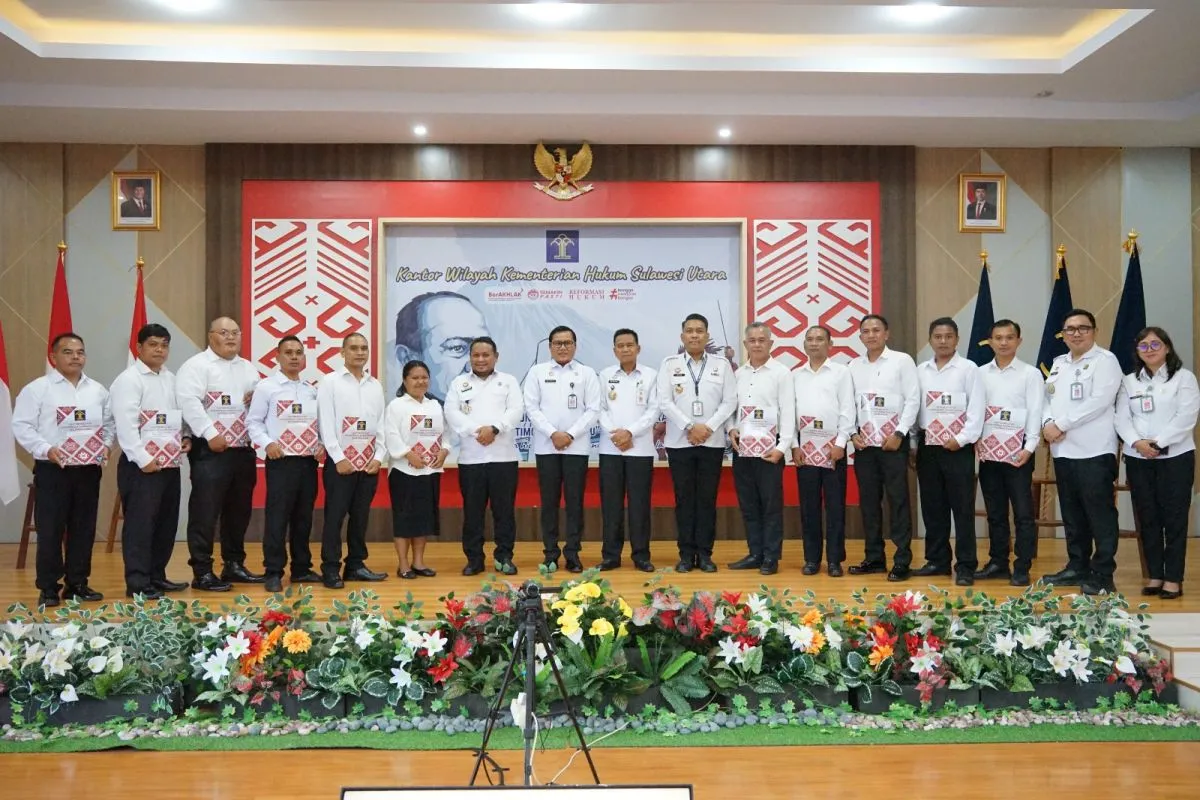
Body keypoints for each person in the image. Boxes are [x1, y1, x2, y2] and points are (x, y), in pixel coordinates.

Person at [12, 333, 114, 606]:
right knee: (51, 530)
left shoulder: (98, 390)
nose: (75, 357)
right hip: (53, 469)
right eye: (68, 352)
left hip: (88, 469)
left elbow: (108, 424)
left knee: (83, 528)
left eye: (80, 352)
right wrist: (46, 449)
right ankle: (48, 587)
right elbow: (22, 426)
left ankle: (77, 584)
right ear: (53, 357)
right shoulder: (37, 389)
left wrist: (106, 446)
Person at [176, 316, 262, 592]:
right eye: (224, 332)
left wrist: (258, 397)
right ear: (210, 335)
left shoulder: (248, 368)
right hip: (210, 450)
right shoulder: (196, 366)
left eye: (235, 332)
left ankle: (233, 564)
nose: (230, 337)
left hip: (242, 450)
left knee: (238, 511)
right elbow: (188, 403)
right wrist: (209, 433)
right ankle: (202, 571)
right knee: (205, 511)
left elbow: (259, 404)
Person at [1041, 309, 1123, 595]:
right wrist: (1047, 423)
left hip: (1094, 450)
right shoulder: (1059, 363)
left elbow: (1100, 401)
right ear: (1063, 334)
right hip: (1063, 450)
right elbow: (1047, 397)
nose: (1076, 333)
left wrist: (1061, 424)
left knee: (1099, 513)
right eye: (1070, 329)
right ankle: (1077, 565)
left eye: (1083, 328)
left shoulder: (1106, 361)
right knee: (1072, 513)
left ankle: (1102, 573)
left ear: (1094, 331)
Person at [1114, 327, 1199, 600]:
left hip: (1175, 458)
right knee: (1147, 517)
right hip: (1138, 457)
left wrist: (1159, 443)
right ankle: (1154, 575)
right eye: (1143, 346)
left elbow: (1187, 416)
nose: (1149, 350)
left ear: (1167, 347)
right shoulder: (1129, 381)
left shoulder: (1183, 378)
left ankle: (1173, 578)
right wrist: (1137, 443)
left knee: (1174, 518)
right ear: (1137, 351)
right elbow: (1121, 418)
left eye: (1155, 344)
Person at [109, 323, 191, 600]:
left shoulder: (171, 378)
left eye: (164, 345)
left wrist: (186, 437)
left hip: (169, 463)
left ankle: (157, 575)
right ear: (139, 347)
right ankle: (138, 583)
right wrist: (143, 459)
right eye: (153, 344)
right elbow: (125, 425)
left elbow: (178, 416)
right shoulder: (129, 380)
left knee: (165, 523)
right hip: (140, 467)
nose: (159, 350)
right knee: (140, 526)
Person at [658, 313, 737, 573]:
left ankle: (704, 554)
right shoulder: (669, 364)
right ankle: (685, 555)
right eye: (690, 331)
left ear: (707, 335)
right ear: (682, 336)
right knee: (684, 500)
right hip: (679, 443)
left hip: (711, 443)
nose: (694, 335)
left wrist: (708, 428)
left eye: (699, 331)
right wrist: (690, 427)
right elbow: (664, 402)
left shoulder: (721, 365)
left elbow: (729, 401)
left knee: (706, 500)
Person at [246, 335, 325, 593]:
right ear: (277, 357)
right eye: (288, 352)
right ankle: (273, 571)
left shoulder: (311, 390)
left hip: (307, 463)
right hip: (280, 461)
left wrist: (321, 443)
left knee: (303, 518)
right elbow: (253, 422)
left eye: (298, 353)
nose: (294, 357)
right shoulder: (266, 387)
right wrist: (267, 443)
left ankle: (301, 568)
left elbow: (318, 425)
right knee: (277, 518)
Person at [848, 314, 920, 581]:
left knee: (898, 501)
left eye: (876, 330)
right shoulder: (853, 366)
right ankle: (874, 557)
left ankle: (902, 561)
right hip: (865, 446)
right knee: (869, 503)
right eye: (866, 331)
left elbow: (913, 400)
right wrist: (852, 434)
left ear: (886, 334)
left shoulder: (902, 361)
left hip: (893, 444)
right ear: (860, 337)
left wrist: (900, 433)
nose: (871, 335)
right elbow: (848, 405)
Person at [523, 325, 601, 573]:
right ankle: (550, 554)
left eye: (568, 343)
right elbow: (531, 408)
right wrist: (552, 434)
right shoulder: (537, 372)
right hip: (547, 448)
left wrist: (570, 434)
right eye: (558, 343)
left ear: (575, 346)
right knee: (549, 503)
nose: (563, 347)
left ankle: (573, 554)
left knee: (575, 503)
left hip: (576, 448)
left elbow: (593, 409)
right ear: (550, 347)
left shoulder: (587, 373)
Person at [913, 318, 985, 586]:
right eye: (938, 336)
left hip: (958, 447)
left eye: (948, 336)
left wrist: (962, 439)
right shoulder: (920, 370)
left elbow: (976, 409)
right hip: (927, 445)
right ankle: (937, 560)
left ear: (957, 339)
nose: (943, 341)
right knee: (932, 506)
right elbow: (915, 409)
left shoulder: (969, 369)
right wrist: (913, 444)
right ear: (930, 339)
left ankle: (965, 565)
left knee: (962, 507)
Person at [444, 336, 524, 576]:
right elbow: (451, 412)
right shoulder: (459, 383)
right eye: (476, 355)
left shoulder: (508, 381)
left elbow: (516, 410)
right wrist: (476, 431)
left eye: (486, 355)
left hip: (503, 459)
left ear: (495, 357)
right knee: (472, 513)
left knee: (504, 512)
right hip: (471, 459)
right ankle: (474, 560)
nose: (480, 359)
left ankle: (504, 557)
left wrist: (495, 429)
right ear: (470, 357)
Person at [316, 332, 388, 589]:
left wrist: (379, 457)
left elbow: (380, 424)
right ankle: (331, 568)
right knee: (335, 518)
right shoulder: (330, 382)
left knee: (360, 517)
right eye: (354, 348)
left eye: (364, 348)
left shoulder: (375, 385)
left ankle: (355, 565)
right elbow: (325, 423)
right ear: (342, 352)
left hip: (368, 465)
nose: (359, 352)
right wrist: (338, 457)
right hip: (341, 465)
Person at [975, 320, 1044, 587]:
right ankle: (998, 562)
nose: (1004, 342)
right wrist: (976, 440)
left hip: (1019, 453)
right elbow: (975, 411)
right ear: (990, 341)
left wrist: (1029, 447)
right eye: (998, 337)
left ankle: (1022, 566)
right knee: (995, 512)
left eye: (1009, 337)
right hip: (989, 453)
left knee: (1023, 513)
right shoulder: (980, 373)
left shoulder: (1030, 374)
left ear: (1019, 341)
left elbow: (1035, 411)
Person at [727, 322, 795, 576]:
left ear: (770, 343)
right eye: (752, 340)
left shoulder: (781, 373)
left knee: (771, 506)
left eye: (761, 340)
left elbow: (788, 412)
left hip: (770, 450)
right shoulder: (738, 374)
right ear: (745, 344)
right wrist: (731, 429)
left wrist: (782, 447)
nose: (757, 344)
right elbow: (731, 409)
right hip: (743, 449)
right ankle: (755, 553)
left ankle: (771, 556)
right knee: (749, 504)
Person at [791, 325, 855, 577]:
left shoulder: (841, 373)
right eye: (810, 339)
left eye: (819, 339)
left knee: (835, 507)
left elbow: (847, 409)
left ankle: (835, 560)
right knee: (809, 508)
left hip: (833, 449)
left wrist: (841, 443)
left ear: (830, 344)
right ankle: (811, 559)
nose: (814, 343)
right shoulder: (795, 375)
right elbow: (790, 414)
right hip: (805, 450)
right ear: (804, 344)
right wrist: (794, 445)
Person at [597, 328, 659, 572]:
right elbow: (599, 409)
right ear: (614, 350)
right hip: (611, 449)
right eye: (620, 346)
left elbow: (654, 410)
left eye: (629, 345)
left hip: (640, 450)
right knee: (611, 505)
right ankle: (611, 556)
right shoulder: (605, 375)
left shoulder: (651, 375)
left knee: (639, 506)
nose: (625, 349)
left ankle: (641, 555)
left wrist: (630, 433)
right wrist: (616, 435)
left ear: (638, 348)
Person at [384, 359, 449, 579]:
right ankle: (403, 565)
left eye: (424, 377)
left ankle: (418, 562)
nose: (420, 382)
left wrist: (444, 451)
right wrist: (408, 454)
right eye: (415, 378)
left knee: (423, 519)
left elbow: (446, 433)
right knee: (404, 520)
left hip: (429, 471)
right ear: (405, 380)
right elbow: (390, 434)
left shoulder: (435, 405)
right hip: (404, 471)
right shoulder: (396, 406)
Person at [393, 292, 490, 402]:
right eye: (457, 348)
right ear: (407, 358)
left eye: (484, 349)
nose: (478, 363)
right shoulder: (401, 409)